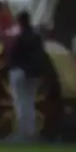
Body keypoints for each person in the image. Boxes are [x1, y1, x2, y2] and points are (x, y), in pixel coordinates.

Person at [7, 9, 47, 142]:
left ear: (20, 22)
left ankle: (22, 133)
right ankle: (30, 131)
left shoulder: (20, 37)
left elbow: (13, 55)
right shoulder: (36, 37)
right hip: (34, 74)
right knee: (29, 103)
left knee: (20, 103)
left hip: (20, 72)